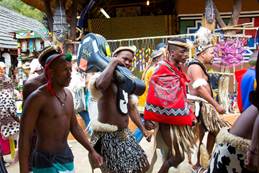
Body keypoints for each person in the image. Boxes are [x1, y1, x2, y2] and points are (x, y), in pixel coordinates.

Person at [19, 53, 103, 173]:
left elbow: (75, 127)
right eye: (65, 70)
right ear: (51, 73)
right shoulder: (37, 98)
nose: (70, 74)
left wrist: (92, 150)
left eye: (70, 69)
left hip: (66, 158)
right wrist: (23, 170)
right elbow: (24, 137)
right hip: (45, 161)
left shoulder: (68, 95)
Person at [88, 46, 150, 173]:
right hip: (107, 135)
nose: (127, 63)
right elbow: (99, 85)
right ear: (114, 57)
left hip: (124, 133)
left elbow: (131, 108)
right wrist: (114, 63)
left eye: (130, 61)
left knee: (143, 165)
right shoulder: (104, 78)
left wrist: (143, 129)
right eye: (125, 59)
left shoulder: (126, 82)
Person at [144, 38, 196, 173]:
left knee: (171, 154)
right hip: (166, 121)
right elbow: (155, 93)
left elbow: (180, 92)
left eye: (187, 52)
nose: (186, 55)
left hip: (178, 120)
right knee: (178, 155)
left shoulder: (177, 68)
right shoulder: (162, 68)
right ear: (172, 53)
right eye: (183, 51)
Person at [207, 52, 259, 173]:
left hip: (243, 121)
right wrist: (253, 150)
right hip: (238, 151)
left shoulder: (246, 75)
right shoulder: (252, 77)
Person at [187, 44, 229, 171]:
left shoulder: (199, 66)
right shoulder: (195, 67)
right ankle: (199, 164)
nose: (213, 56)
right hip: (198, 108)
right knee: (203, 134)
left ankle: (204, 162)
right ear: (202, 53)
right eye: (211, 53)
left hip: (203, 107)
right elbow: (199, 88)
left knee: (212, 132)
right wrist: (216, 105)